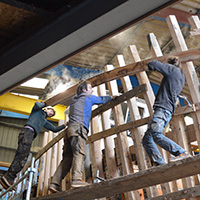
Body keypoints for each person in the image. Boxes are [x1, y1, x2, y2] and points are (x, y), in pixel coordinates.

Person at [49, 80, 112, 192]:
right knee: (80, 154)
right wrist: (112, 97)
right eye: (90, 87)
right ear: (84, 90)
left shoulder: (73, 100)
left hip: (69, 131)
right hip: (78, 129)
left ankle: (55, 183)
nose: (92, 90)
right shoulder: (88, 98)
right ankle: (77, 179)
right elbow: (102, 99)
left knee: (67, 158)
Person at [0, 102, 67, 190]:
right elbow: (37, 104)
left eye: (52, 114)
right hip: (27, 132)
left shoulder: (44, 120)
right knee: (22, 156)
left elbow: (54, 129)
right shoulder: (37, 111)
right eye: (51, 111)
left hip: (29, 135)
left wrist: (65, 125)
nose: (51, 113)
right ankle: (9, 177)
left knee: (22, 156)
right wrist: (46, 103)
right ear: (46, 108)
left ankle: (9, 177)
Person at [142, 56, 191, 166]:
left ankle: (181, 152)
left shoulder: (173, 71)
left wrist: (157, 63)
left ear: (169, 65)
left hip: (163, 109)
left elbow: (153, 64)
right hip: (166, 110)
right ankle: (159, 163)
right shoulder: (180, 76)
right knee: (147, 139)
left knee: (156, 133)